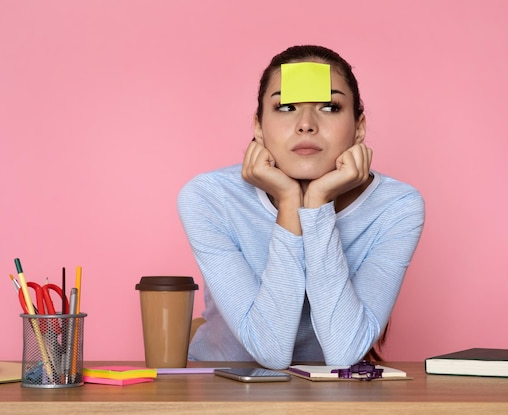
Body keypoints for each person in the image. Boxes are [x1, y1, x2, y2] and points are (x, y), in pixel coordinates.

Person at [178, 45, 425, 370]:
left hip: (330, 398)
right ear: (258, 127)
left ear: (359, 127)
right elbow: (270, 351)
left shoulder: (398, 206)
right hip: (216, 389)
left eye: (329, 107)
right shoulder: (209, 197)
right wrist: (290, 202)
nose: (306, 124)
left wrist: (317, 203)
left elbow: (343, 354)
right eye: (286, 107)